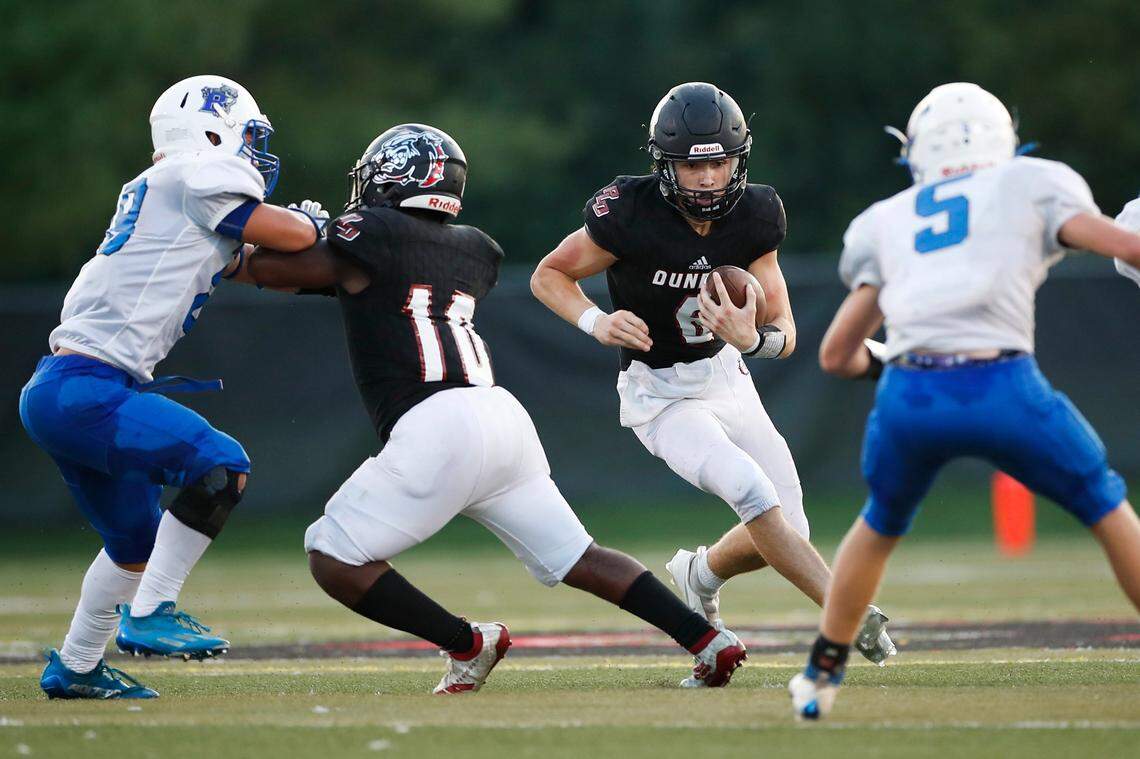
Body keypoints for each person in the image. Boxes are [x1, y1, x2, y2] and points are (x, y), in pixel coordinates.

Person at [240, 123, 747, 695]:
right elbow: (378, 273)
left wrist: (259, 236)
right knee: (581, 556)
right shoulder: (474, 249)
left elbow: (267, 270)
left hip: (436, 423)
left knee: (331, 555)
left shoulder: (370, 233)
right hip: (500, 417)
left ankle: (466, 642)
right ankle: (707, 639)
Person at [790, 82, 1140, 720]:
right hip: (1002, 385)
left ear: (919, 152)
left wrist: (901, 363)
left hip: (911, 396)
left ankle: (820, 675)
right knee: (1105, 504)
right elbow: (1127, 246)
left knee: (878, 524)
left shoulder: (888, 219)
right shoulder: (1030, 181)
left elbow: (838, 355)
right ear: (1002, 138)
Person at [530, 82, 895, 682]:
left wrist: (751, 339)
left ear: (738, 159)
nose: (706, 178)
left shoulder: (756, 213)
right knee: (754, 494)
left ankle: (700, 575)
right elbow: (550, 275)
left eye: (719, 162)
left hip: (727, 376)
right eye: (692, 165)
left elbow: (784, 332)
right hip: (660, 394)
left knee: (786, 531)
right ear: (665, 165)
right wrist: (595, 320)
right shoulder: (628, 211)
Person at [21, 75, 327, 699]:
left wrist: (318, 255)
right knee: (220, 465)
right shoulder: (194, 175)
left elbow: (257, 265)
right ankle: (150, 612)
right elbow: (291, 238)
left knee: (134, 544)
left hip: (62, 391)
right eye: (246, 135)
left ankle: (76, 666)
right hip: (88, 390)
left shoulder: (170, 190)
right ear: (211, 132)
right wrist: (314, 228)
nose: (255, 151)